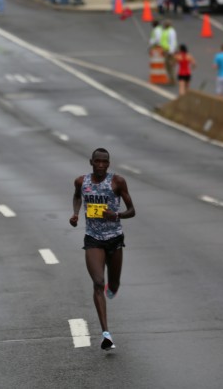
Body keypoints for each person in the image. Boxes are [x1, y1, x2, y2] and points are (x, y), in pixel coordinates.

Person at [70, 148, 135, 351]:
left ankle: (112, 288)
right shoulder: (81, 182)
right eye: (96, 161)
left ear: (108, 164)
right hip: (93, 239)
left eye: (103, 162)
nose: (100, 165)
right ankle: (106, 334)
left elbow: (132, 210)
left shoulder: (118, 182)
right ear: (91, 162)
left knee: (113, 285)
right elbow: (77, 197)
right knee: (98, 283)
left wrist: (116, 216)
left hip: (114, 238)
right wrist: (75, 214)